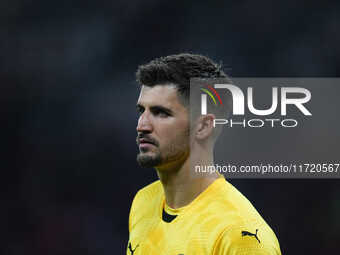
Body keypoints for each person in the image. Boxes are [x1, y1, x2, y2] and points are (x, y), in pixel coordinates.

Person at [127, 53, 281, 255]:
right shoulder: (144, 201)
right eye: (141, 111)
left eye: (160, 113)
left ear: (203, 126)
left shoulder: (239, 234)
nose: (142, 125)